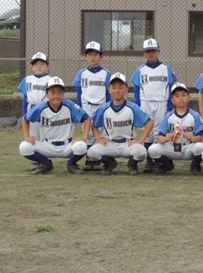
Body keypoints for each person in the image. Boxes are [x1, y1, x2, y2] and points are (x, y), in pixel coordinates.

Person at [19, 77, 90, 175]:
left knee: (82, 146)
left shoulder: (70, 105)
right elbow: (25, 119)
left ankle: (72, 164)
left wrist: (85, 137)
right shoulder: (41, 107)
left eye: (59, 92)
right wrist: (27, 136)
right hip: (47, 145)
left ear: (64, 94)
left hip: (67, 146)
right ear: (47, 94)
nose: (56, 96)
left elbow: (87, 118)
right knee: (24, 147)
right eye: (52, 92)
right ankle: (46, 164)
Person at [88, 73, 154, 175]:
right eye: (114, 87)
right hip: (110, 143)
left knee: (141, 152)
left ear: (126, 90)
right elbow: (94, 125)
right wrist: (99, 138)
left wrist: (141, 140)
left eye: (121, 87)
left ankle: (132, 164)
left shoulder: (133, 107)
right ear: (109, 90)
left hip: (128, 143)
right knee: (91, 153)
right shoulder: (104, 108)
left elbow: (150, 122)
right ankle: (109, 163)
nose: (117, 90)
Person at [131, 38, 178, 171]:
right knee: (148, 131)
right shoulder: (140, 70)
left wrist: (170, 106)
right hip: (146, 103)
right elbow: (136, 89)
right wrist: (138, 107)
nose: (151, 54)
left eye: (153, 51)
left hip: (162, 103)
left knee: (159, 131)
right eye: (148, 51)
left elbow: (172, 87)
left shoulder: (166, 69)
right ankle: (149, 160)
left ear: (159, 52)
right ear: (144, 53)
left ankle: (157, 159)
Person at [147, 82, 203, 175]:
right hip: (173, 148)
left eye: (183, 95)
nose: (181, 98)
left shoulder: (195, 116)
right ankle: (166, 164)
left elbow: (200, 138)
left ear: (189, 98)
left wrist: (192, 138)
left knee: (201, 147)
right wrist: (166, 138)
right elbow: (160, 138)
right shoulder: (168, 116)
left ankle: (195, 165)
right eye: (177, 96)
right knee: (152, 149)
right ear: (172, 100)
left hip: (188, 148)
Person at [73, 41, 113, 170]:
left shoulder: (106, 73)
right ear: (86, 57)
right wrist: (80, 109)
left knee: (100, 133)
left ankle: (97, 159)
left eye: (96, 54)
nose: (92, 57)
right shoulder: (82, 73)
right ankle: (90, 159)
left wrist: (107, 107)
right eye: (89, 54)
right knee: (88, 133)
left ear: (101, 57)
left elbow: (109, 93)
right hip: (86, 106)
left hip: (101, 106)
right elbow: (79, 92)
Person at [18, 52, 52, 144]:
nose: (39, 67)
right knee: (33, 138)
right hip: (32, 110)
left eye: (42, 64)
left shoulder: (51, 80)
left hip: (46, 111)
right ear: (32, 67)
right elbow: (26, 98)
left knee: (46, 138)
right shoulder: (27, 80)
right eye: (36, 64)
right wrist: (25, 113)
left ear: (48, 67)